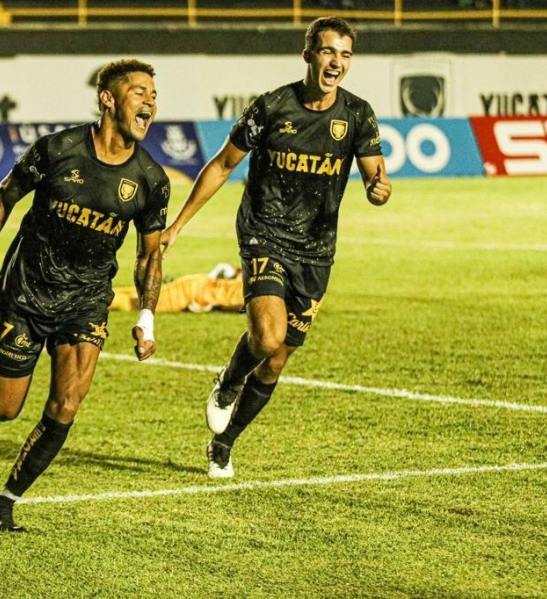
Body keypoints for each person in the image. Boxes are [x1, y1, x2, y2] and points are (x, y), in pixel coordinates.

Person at [0, 58, 170, 531]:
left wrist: (146, 318)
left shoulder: (151, 179)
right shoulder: (57, 150)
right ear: (108, 99)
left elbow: (149, 256)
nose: (149, 101)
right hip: (27, 292)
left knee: (66, 404)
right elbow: (4, 199)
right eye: (139, 92)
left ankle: (5, 502)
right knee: (4, 410)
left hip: (86, 300)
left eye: (153, 94)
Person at [160, 16, 392, 478]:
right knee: (266, 338)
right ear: (308, 54)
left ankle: (224, 443)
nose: (337, 62)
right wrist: (178, 225)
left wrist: (378, 190)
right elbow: (222, 165)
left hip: (316, 248)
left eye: (345, 55)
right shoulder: (272, 107)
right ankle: (228, 382)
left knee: (279, 356)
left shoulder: (357, 113)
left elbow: (376, 177)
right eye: (328, 51)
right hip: (264, 233)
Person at [109, 262, 244, 313]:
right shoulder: (247, 298)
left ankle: (101, 292)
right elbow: (233, 307)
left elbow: (232, 270)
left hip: (198, 281)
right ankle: (100, 299)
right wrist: (213, 306)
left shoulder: (249, 280)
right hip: (194, 294)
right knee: (139, 303)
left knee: (143, 292)